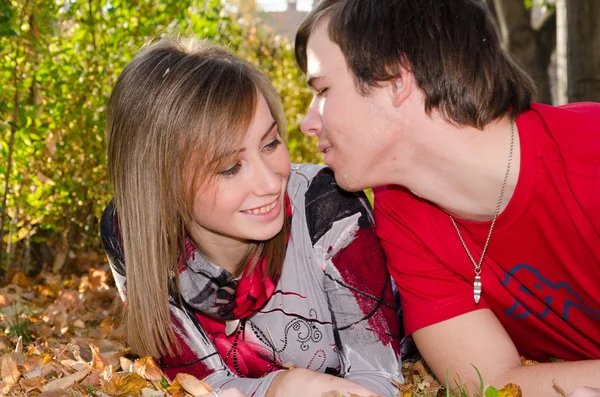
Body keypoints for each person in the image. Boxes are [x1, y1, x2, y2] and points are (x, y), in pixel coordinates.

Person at [294, 1, 600, 396]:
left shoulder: (589, 154)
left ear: (395, 79)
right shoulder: (401, 212)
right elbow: (489, 381)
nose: (307, 122)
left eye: (322, 91)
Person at [99, 37, 402, 397]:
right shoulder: (131, 232)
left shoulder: (327, 207)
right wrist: (278, 388)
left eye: (271, 143)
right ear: (159, 184)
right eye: (229, 167)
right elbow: (201, 384)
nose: (270, 181)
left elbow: (378, 377)